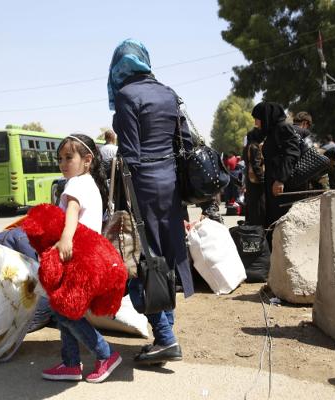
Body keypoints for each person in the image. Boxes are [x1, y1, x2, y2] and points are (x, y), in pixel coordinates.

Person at [108, 39, 194, 365]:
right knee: (167, 259)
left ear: (118, 67)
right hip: (171, 184)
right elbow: (185, 140)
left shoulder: (126, 96)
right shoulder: (168, 92)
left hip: (143, 185)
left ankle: (166, 338)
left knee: (141, 258)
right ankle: (165, 333)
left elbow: (130, 154)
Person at [41, 134, 121, 383]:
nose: (63, 164)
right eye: (60, 159)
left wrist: (65, 239)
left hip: (78, 259)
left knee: (66, 313)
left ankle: (104, 354)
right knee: (63, 308)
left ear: (87, 160)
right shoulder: (91, 184)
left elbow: (72, 214)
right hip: (88, 260)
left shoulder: (75, 185)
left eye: (69, 158)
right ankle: (70, 363)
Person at [251, 102, 301, 239]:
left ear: (266, 116)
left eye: (257, 118)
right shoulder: (273, 130)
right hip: (273, 183)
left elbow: (292, 153)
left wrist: (280, 180)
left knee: (282, 220)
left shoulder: (283, 128)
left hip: (282, 185)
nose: (256, 122)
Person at [242, 128, 266, 226]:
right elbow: (256, 165)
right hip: (256, 183)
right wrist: (262, 179)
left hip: (250, 181)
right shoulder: (254, 147)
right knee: (258, 208)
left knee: (252, 208)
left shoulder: (247, 147)